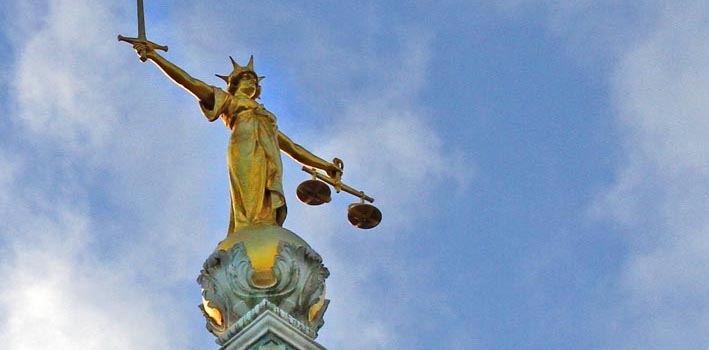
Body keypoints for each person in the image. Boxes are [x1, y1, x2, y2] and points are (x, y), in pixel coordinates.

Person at [133, 43, 342, 233]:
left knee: (266, 200)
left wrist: (325, 166)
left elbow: (293, 148)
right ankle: (247, 230)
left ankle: (264, 227)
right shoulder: (229, 101)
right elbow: (190, 82)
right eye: (245, 78)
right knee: (248, 195)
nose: (250, 81)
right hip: (243, 148)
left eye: (253, 79)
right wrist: (155, 57)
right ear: (234, 84)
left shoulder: (266, 119)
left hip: (268, 156)